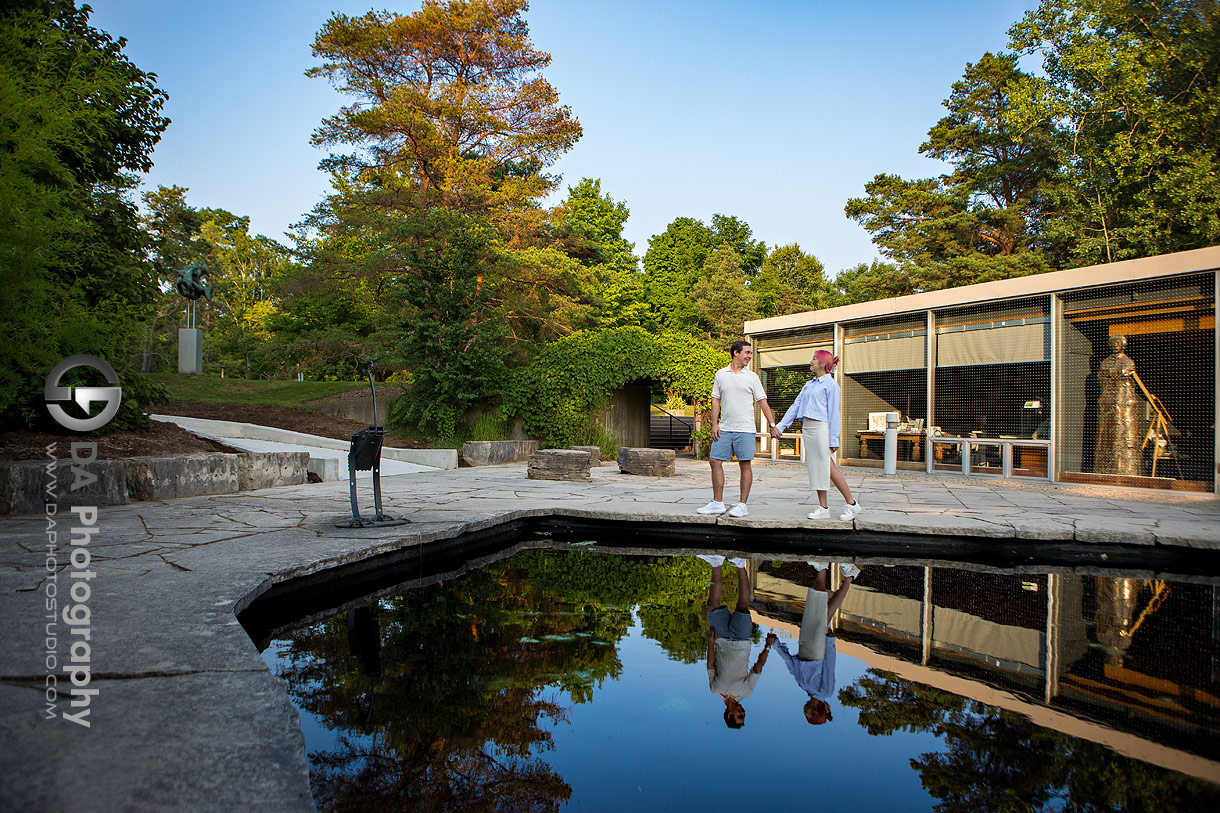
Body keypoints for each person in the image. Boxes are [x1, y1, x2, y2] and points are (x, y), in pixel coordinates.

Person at [770, 349, 861, 521]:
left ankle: (852, 504)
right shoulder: (809, 384)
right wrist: (780, 426)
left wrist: (834, 438)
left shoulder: (831, 385)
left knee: (828, 467)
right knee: (817, 469)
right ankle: (823, 507)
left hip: (821, 429)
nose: (810, 361)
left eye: (814, 359)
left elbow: (834, 413)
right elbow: (796, 406)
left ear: (822, 363)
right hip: (809, 429)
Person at [771, 562, 860, 725]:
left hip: (805, 648)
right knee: (823, 616)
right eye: (807, 715)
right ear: (815, 713)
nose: (804, 712)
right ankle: (848, 577)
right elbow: (829, 667)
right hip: (817, 652)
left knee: (814, 607)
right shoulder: (825, 692)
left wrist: (776, 645)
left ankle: (823, 569)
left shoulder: (804, 687)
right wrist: (830, 643)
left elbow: (791, 665)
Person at [697, 340, 778, 518]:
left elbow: (762, 401)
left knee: (745, 464)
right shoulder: (721, 374)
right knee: (714, 461)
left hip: (745, 428)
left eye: (750, 353)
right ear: (736, 352)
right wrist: (715, 424)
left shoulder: (752, 377)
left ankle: (742, 505)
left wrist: (772, 425)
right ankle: (717, 503)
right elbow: (715, 399)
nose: (750, 356)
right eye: (747, 353)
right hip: (724, 428)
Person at [700, 554, 774, 728]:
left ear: (729, 715)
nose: (743, 712)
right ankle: (740, 565)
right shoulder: (746, 692)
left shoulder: (715, 689)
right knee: (742, 604)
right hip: (742, 641)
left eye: (739, 716)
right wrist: (767, 647)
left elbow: (710, 665)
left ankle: (716, 563)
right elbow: (757, 669)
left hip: (721, 639)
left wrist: (711, 643)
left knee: (712, 605)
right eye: (743, 715)